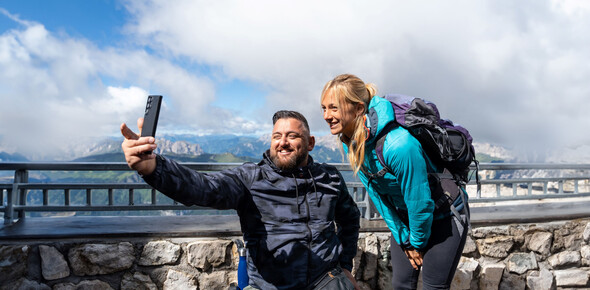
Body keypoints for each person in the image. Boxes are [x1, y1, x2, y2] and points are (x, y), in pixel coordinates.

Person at [121, 110, 361, 290]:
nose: (282, 142)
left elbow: (350, 218)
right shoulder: (251, 178)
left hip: (325, 281)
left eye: (292, 136)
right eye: (277, 136)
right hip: (270, 286)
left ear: (310, 144)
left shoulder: (329, 177)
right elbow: (203, 188)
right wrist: (154, 168)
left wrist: (344, 267)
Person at [320, 74, 469, 290]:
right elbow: (376, 194)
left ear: (358, 108)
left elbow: (419, 202)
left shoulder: (398, 145)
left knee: (433, 287)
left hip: (444, 214)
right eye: (324, 108)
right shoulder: (350, 141)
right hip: (407, 219)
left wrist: (415, 243)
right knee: (401, 285)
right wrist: (404, 238)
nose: (326, 116)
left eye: (334, 108)